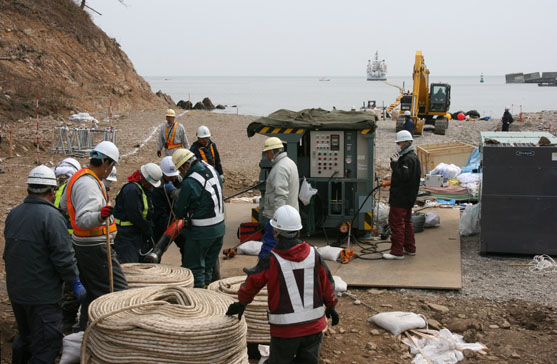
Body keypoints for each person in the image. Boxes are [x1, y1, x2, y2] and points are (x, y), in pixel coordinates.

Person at [227, 205, 338, 364]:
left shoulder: (271, 260)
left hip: (285, 331)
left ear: (274, 232)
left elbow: (252, 283)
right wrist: (332, 305)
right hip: (314, 328)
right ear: (299, 230)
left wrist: (242, 302)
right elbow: (327, 283)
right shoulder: (314, 255)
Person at [4, 165, 86, 363]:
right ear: (52, 191)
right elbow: (64, 257)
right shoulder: (52, 217)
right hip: (42, 297)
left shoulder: (14, 214)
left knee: (26, 337)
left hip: (17, 292)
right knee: (47, 344)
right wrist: (75, 282)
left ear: (28, 189)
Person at [59, 141, 128, 330]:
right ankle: (107, 333)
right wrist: (99, 216)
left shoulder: (78, 177)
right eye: (112, 165)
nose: (111, 170)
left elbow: (65, 205)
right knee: (118, 292)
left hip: (84, 245)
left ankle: (83, 332)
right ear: (106, 163)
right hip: (95, 248)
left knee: (92, 294)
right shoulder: (88, 184)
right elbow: (82, 220)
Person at [245, 137, 299, 275]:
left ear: (273, 152)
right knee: (286, 248)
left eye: (267, 152)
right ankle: (282, 272)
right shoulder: (289, 163)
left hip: (279, 219)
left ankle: (259, 273)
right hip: (290, 217)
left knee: (268, 245)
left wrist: (276, 221)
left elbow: (280, 196)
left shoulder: (280, 168)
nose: (266, 156)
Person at [172, 148, 224, 287]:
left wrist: (179, 196)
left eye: (181, 170)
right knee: (208, 267)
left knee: (195, 268)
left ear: (186, 165)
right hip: (219, 229)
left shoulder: (190, 182)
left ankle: (198, 301)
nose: (181, 174)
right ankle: (207, 296)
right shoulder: (212, 169)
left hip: (201, 232)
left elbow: (180, 211)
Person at [113, 163, 162, 263]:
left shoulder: (143, 189)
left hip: (136, 234)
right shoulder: (131, 190)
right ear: (144, 178)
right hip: (126, 236)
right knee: (130, 265)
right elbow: (134, 214)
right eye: (150, 183)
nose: (151, 186)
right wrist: (146, 227)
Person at [383, 130, 421, 260]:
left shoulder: (407, 159)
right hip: (408, 197)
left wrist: (394, 164)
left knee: (397, 223)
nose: (397, 145)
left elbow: (404, 176)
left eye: (398, 143)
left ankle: (397, 252)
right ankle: (410, 248)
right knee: (407, 222)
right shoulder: (413, 157)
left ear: (405, 143)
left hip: (400, 198)